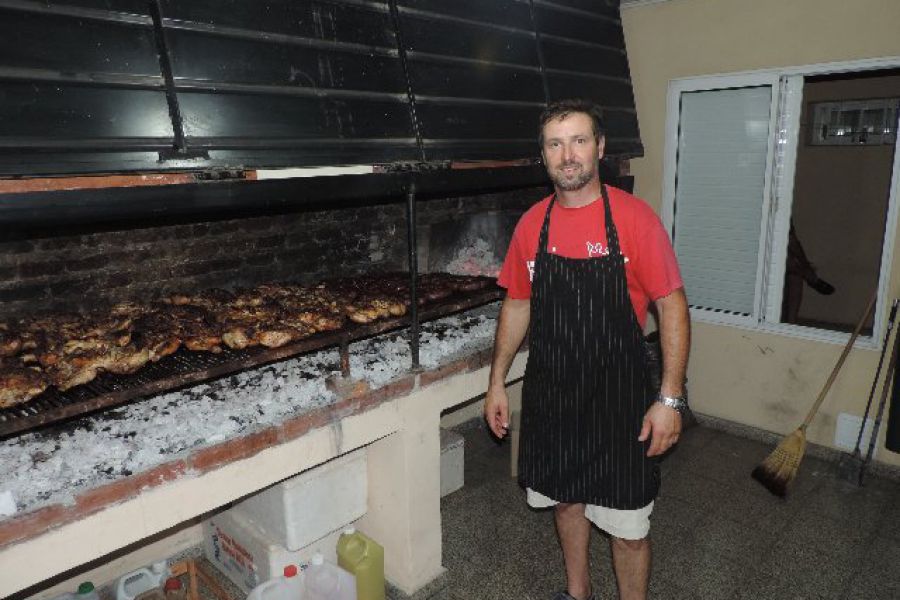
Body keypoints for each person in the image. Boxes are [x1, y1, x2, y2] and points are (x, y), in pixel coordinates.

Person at [484, 99, 690, 600]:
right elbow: (517, 304)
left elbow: (673, 309)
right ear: (544, 156)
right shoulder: (533, 225)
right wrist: (495, 383)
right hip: (553, 395)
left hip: (621, 401)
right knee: (565, 503)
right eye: (555, 144)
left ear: (599, 148)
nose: (567, 154)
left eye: (579, 141)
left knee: (628, 528)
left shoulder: (635, 220)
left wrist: (668, 399)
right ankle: (578, 594)